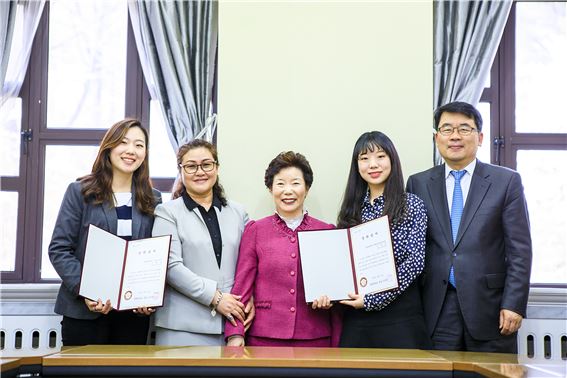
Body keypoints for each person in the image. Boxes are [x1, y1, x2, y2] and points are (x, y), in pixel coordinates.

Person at [406, 101, 532, 353]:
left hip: (492, 308)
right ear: (436, 137)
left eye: (464, 129)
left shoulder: (506, 181)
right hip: (436, 308)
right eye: (446, 129)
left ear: (480, 136)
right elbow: (413, 248)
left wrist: (514, 304)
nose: (455, 136)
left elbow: (520, 250)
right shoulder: (418, 183)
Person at [48, 119, 161, 346]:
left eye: (139, 145)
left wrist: (148, 296)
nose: (131, 151)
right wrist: (86, 290)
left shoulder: (153, 198)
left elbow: (153, 255)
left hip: (133, 315)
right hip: (83, 312)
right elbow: (59, 249)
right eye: (124, 142)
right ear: (109, 148)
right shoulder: (80, 191)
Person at [225, 151, 341, 347]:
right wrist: (235, 334)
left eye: (295, 183)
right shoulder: (255, 230)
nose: (288, 190)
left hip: (315, 337)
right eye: (280, 184)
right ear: (271, 189)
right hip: (264, 337)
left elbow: (338, 287)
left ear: (307, 188)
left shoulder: (326, 231)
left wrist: (333, 299)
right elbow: (242, 287)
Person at [152, 139, 253, 346]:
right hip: (181, 327)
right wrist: (216, 298)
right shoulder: (167, 212)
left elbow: (251, 263)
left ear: (216, 167)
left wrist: (250, 297)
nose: (200, 172)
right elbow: (170, 267)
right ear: (181, 171)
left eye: (207, 164)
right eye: (191, 166)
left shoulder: (239, 213)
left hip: (232, 325)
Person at [337, 131, 431, 349]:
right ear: (357, 166)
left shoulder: (411, 204)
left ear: (392, 160)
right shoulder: (352, 209)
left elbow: (415, 262)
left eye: (380, 156)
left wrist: (373, 300)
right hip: (357, 320)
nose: (373, 164)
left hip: (401, 317)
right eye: (364, 158)